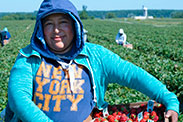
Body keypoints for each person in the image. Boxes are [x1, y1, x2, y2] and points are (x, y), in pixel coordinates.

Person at [5, 0, 179, 122]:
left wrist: (169, 99)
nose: (56, 30)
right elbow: (19, 99)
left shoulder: (94, 56)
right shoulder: (29, 58)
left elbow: (133, 75)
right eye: (49, 23)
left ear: (75, 25)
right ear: (40, 28)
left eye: (63, 22)